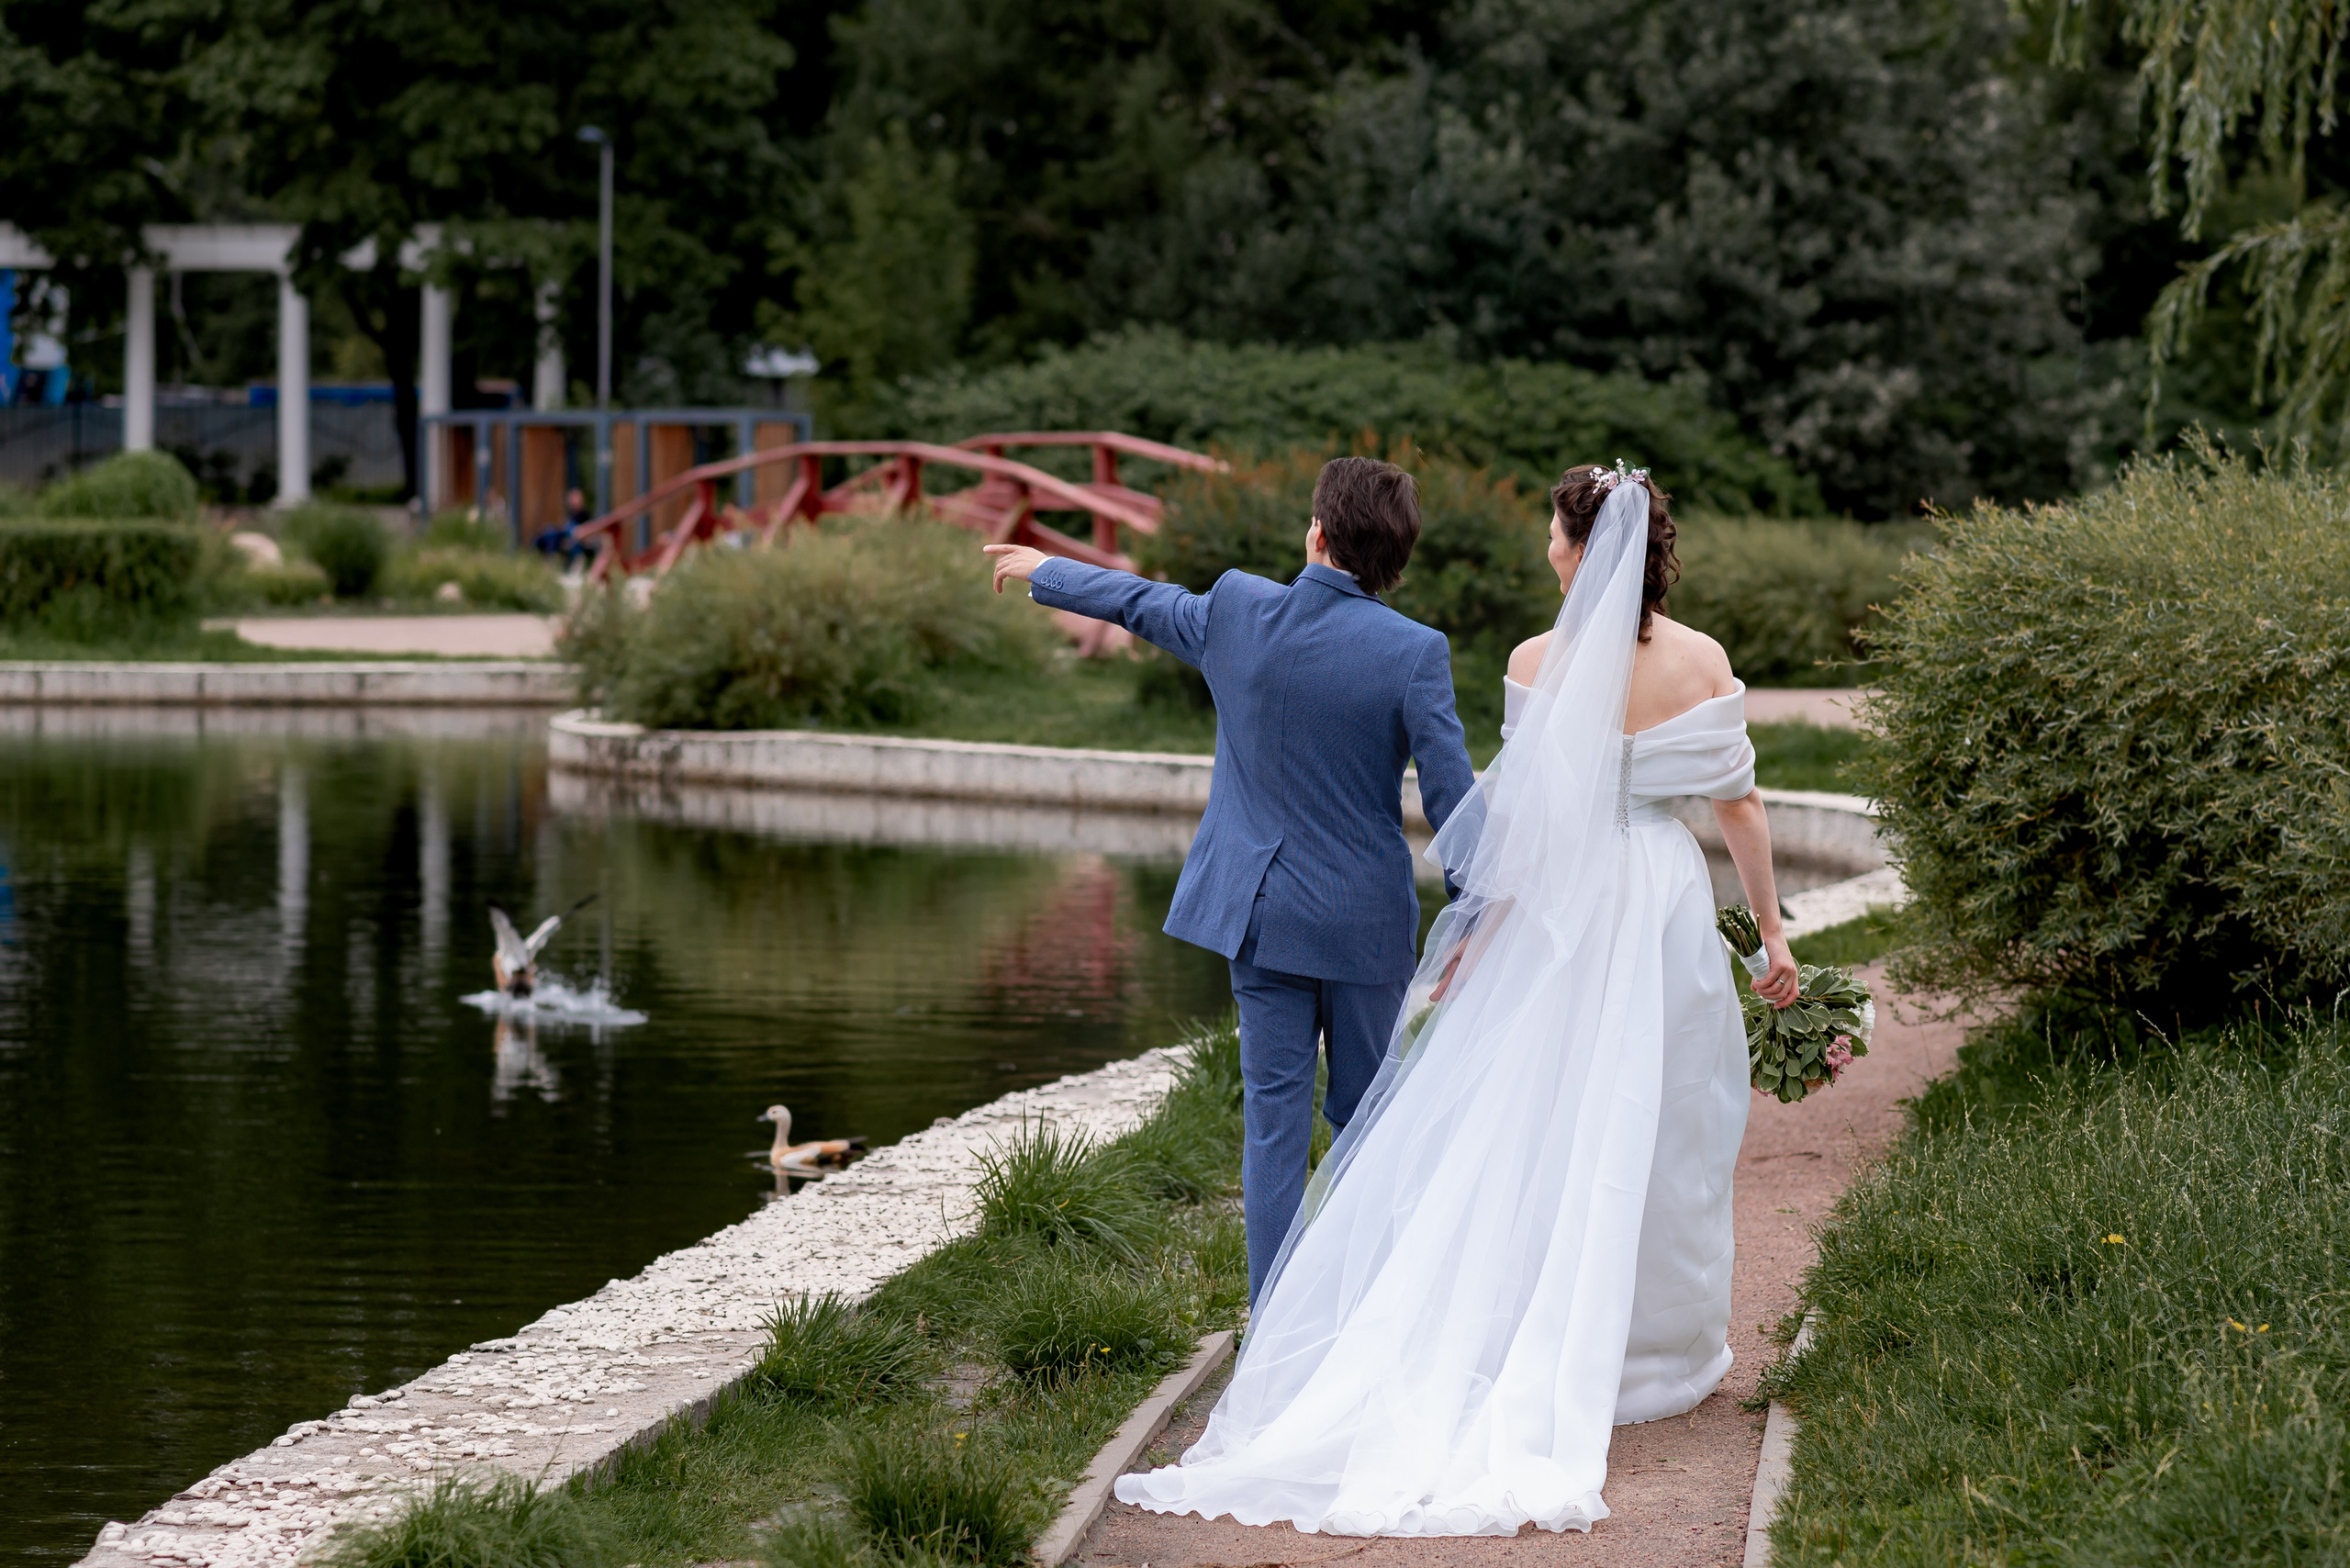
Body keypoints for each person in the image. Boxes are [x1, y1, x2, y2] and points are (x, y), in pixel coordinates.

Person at [1109, 463, 1799, 1538]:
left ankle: (1508, 1324)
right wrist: (1770, 931)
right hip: (1659, 899)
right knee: (1667, 1111)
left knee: (1535, 1115)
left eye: (1553, 535)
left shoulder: (1534, 661)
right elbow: (1740, 807)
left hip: (1561, 908)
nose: (1547, 550)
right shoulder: (1702, 661)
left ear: (1582, 549)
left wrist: (1482, 924)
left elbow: (1519, 813)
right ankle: (1655, 1353)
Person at [985, 456, 1478, 1303]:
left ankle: (1272, 1321)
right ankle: (1357, 1310)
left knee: (1272, 1126)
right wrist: (1473, 913)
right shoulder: (1415, 652)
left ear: (1317, 533)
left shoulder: (1240, 609)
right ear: (1396, 557)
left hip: (1262, 915)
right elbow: (1453, 801)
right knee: (1364, 1121)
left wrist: (1046, 571)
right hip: (1363, 926)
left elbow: (1141, 602)